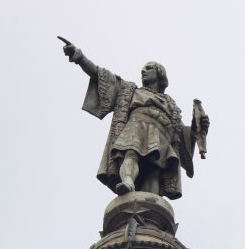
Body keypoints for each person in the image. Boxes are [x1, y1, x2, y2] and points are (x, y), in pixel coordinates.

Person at [59, 38, 209, 199]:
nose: (143, 71)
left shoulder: (170, 105)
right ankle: (128, 182)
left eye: (149, 68)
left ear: (159, 74)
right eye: (143, 69)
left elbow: (182, 134)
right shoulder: (130, 90)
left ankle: (150, 202)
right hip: (137, 125)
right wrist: (80, 58)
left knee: (154, 169)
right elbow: (101, 76)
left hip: (162, 135)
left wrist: (198, 127)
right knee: (131, 153)